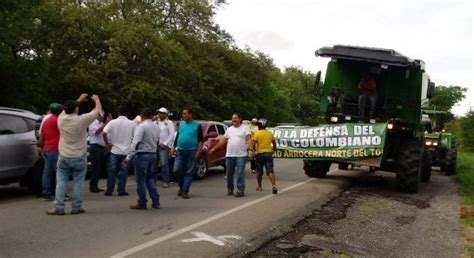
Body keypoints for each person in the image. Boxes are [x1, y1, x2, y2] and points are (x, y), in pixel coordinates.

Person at [47, 93, 102, 215]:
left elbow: (68, 109)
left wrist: (79, 100)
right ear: (76, 109)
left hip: (64, 155)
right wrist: (97, 100)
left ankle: (59, 207)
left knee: (61, 181)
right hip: (79, 156)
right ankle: (76, 207)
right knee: (78, 182)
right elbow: (97, 111)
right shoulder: (81, 120)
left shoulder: (61, 118)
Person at [124, 108, 161, 210]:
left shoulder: (141, 126)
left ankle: (142, 202)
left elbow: (136, 142)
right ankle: (156, 201)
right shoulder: (156, 127)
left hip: (142, 154)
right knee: (151, 179)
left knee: (141, 180)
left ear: (141, 115)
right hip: (153, 154)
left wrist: (129, 157)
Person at [209, 113, 251, 197]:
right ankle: (230, 188)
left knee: (240, 173)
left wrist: (250, 148)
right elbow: (223, 140)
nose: (234, 120)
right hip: (230, 155)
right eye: (232, 118)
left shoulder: (245, 128)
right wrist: (214, 149)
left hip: (241, 155)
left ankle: (240, 190)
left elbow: (248, 139)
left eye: (235, 118)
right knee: (229, 173)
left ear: (240, 119)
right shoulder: (229, 129)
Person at [103, 106, 136, 196]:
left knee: (111, 171)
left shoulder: (112, 122)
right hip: (126, 151)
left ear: (118, 113)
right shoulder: (132, 123)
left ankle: (109, 190)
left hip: (114, 150)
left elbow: (104, 133)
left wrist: (107, 144)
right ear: (127, 114)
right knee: (124, 171)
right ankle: (121, 190)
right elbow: (136, 137)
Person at [171, 108, 203, 199]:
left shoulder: (197, 125)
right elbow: (177, 137)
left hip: (192, 151)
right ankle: (181, 186)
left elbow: (201, 140)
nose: (183, 115)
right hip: (180, 150)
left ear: (190, 114)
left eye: (185, 114)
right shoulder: (181, 124)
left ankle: (185, 190)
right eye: (183, 114)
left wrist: (198, 151)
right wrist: (173, 147)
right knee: (176, 170)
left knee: (189, 172)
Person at [39, 103, 64, 201]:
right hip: (55, 148)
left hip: (46, 148)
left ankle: (46, 193)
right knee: (60, 172)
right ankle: (60, 193)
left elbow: (42, 136)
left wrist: (42, 148)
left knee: (47, 172)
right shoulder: (58, 121)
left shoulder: (46, 121)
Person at [250, 118, 278, 194]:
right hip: (269, 154)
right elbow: (274, 144)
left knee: (259, 172)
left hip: (259, 154)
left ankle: (259, 187)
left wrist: (253, 151)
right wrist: (273, 150)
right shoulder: (270, 133)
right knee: (270, 171)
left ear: (259, 125)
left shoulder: (257, 133)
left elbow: (252, 145)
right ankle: (274, 185)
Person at [88, 113, 111, 193]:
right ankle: (92, 186)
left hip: (102, 147)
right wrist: (106, 123)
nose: (103, 117)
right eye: (101, 116)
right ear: (97, 116)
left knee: (100, 167)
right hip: (95, 147)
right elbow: (97, 132)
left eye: (104, 116)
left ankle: (96, 185)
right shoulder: (92, 123)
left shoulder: (102, 124)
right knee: (95, 167)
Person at [155, 107, 175, 188]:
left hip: (163, 145)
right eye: (159, 113)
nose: (160, 114)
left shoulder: (169, 123)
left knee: (164, 163)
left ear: (165, 114)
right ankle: (153, 180)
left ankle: (166, 180)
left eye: (162, 113)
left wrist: (166, 143)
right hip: (155, 144)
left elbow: (171, 134)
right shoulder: (155, 122)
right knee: (153, 163)